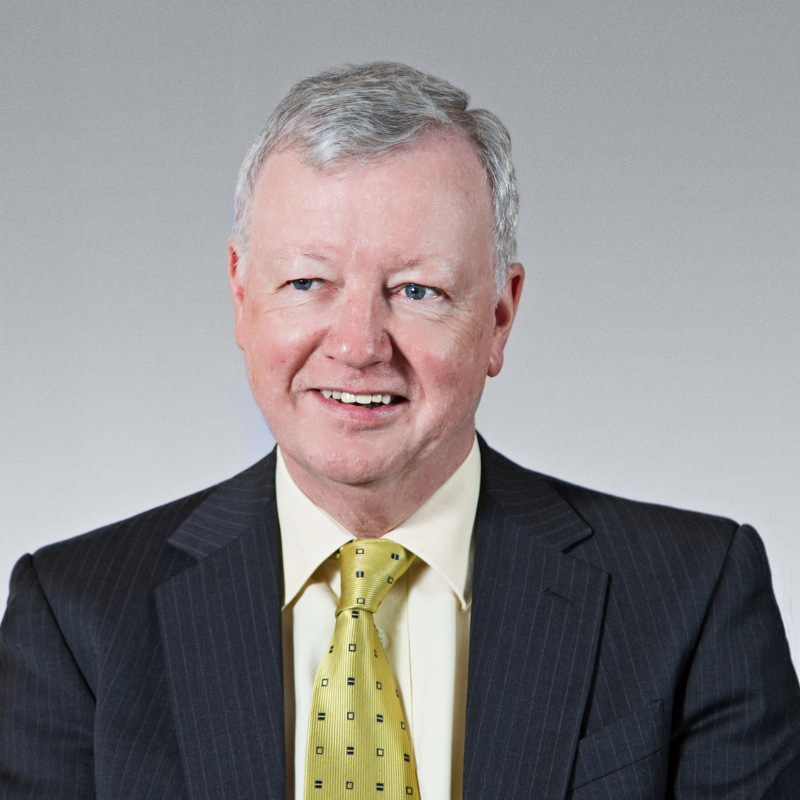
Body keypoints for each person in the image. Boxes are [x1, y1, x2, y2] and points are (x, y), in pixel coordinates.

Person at [1, 62, 798, 800]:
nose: (356, 345)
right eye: (307, 282)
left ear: (499, 316)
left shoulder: (694, 599)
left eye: (415, 291)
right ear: (241, 297)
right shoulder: (76, 621)